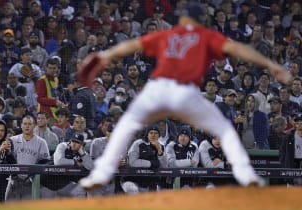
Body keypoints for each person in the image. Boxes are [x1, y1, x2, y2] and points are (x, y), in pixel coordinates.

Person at [79, 2, 291, 190]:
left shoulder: (167, 34)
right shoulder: (206, 35)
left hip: (157, 88)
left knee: (127, 124)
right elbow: (236, 48)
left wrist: (107, 54)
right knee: (224, 129)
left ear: (182, 18)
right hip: (186, 92)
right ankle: (245, 174)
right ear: (203, 20)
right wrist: (270, 64)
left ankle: (101, 173)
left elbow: (133, 45)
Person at [6, 115, 51, 201]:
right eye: (25, 124)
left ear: (34, 126)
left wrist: (32, 174)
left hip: (32, 181)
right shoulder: (12, 140)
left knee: (27, 209)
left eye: (29, 124)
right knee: (9, 208)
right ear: (21, 125)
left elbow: (45, 162)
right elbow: (8, 160)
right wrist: (14, 174)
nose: (27, 126)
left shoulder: (41, 142)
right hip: (13, 180)